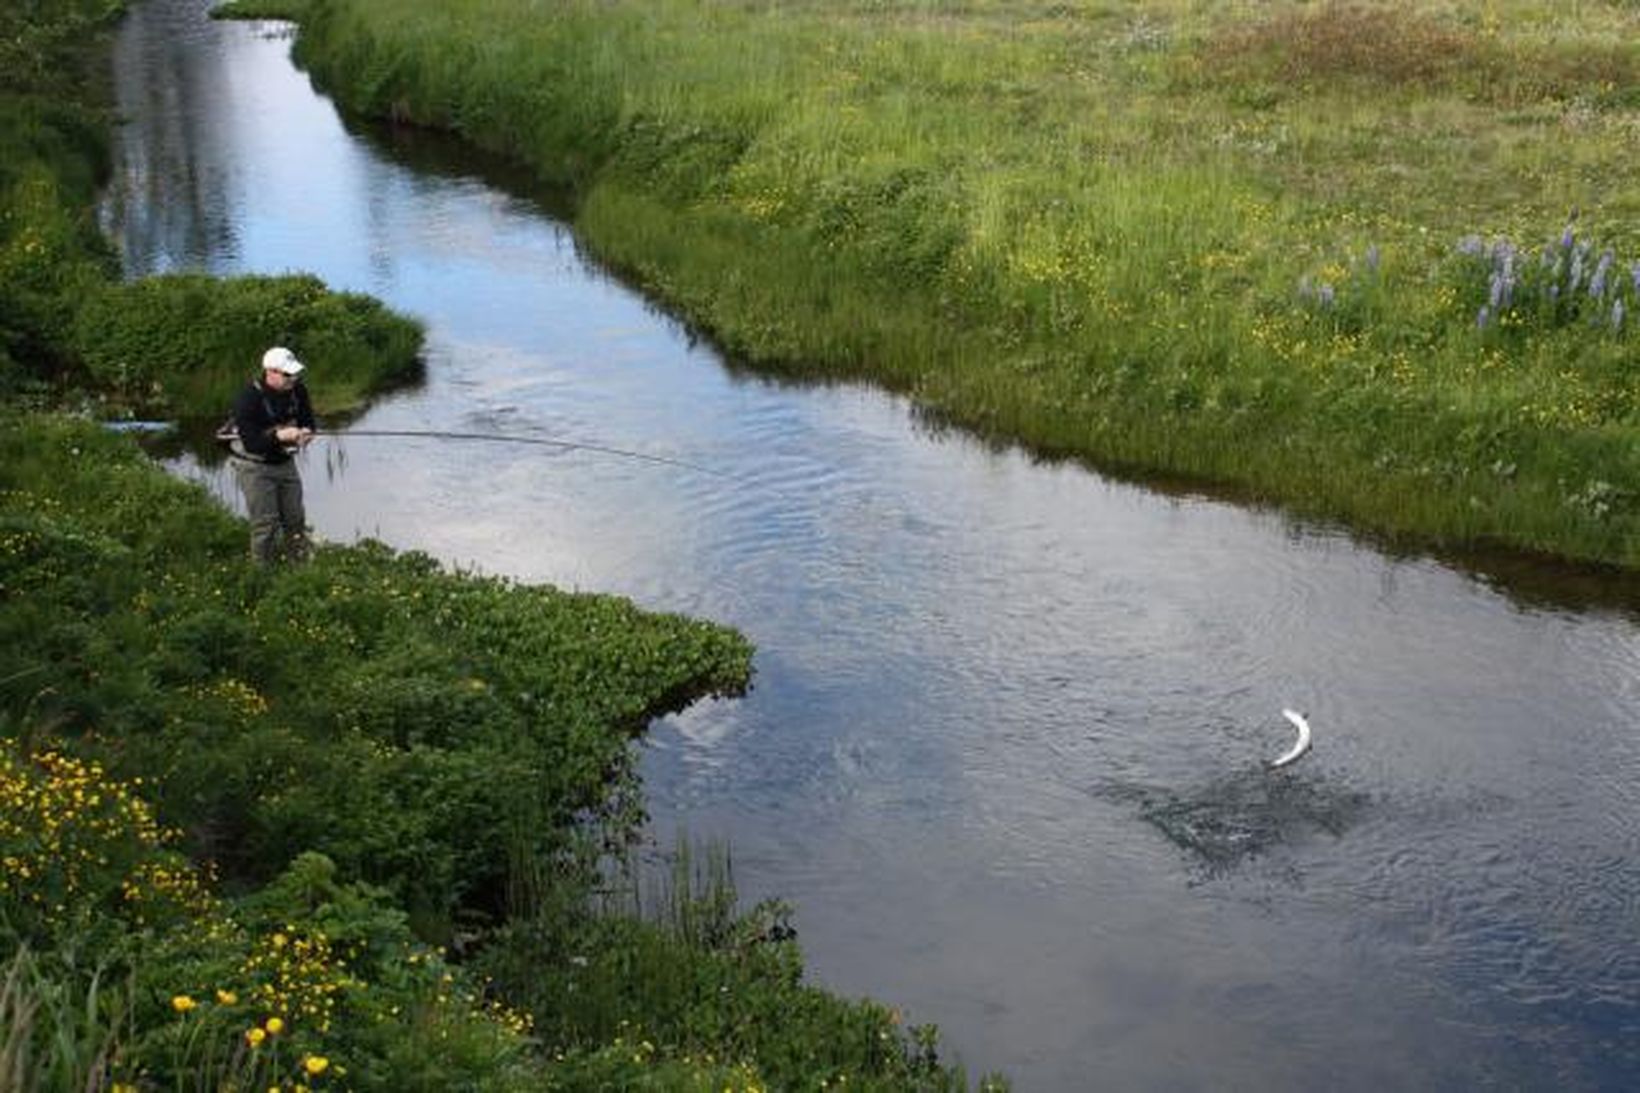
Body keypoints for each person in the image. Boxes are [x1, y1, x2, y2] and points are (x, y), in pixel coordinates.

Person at [230, 346, 317, 564]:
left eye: (296, 373)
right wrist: (280, 436)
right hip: (254, 466)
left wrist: (306, 433)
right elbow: (252, 444)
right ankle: (262, 573)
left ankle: (298, 566)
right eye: (288, 375)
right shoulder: (248, 399)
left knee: (295, 519)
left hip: (285, 462)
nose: (293, 379)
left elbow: (309, 421)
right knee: (265, 524)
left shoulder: (298, 390)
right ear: (270, 372)